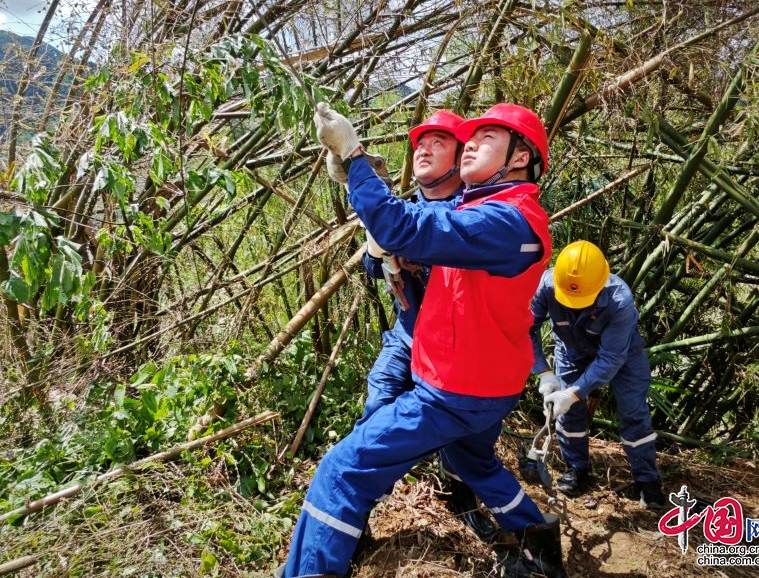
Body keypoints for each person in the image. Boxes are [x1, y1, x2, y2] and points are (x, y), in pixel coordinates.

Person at [275, 102, 566, 578]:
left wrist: (356, 158)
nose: (469, 142)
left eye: (486, 138)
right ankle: (538, 544)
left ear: (519, 158)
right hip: (475, 382)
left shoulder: (507, 221)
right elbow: (413, 231)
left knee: (341, 471)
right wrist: (365, 199)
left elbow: (408, 227)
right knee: (472, 461)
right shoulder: (483, 209)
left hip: (456, 389)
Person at [357, 111, 496, 541]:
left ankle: (461, 496)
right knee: (375, 415)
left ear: (460, 157)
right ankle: (356, 517)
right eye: (420, 142)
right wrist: (377, 252)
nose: (423, 148)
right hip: (407, 335)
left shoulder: (475, 212)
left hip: (460, 349)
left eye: (438, 142)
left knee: (472, 438)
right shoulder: (403, 210)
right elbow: (371, 269)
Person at [530, 240, 666, 510]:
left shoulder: (619, 301)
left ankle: (647, 480)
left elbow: (610, 358)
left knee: (633, 413)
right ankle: (576, 468)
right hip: (571, 351)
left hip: (622, 356)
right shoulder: (546, 286)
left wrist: (573, 393)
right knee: (570, 416)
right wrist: (543, 372)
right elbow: (524, 329)